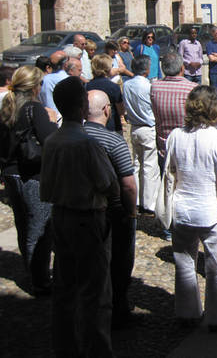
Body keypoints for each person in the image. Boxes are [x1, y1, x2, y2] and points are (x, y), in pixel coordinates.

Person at [40, 77, 119, 356]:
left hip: (60, 214)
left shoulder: (52, 140)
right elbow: (108, 182)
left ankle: (65, 346)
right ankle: (97, 349)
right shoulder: (86, 144)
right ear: (82, 105)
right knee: (95, 292)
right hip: (86, 217)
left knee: (64, 286)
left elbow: (45, 185)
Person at [164, 85, 217, 331]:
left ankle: (187, 313)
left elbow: (171, 171)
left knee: (185, 263)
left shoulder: (176, 135)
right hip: (212, 210)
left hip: (182, 209)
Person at [0, 66, 57, 295]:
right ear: (35, 87)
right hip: (32, 174)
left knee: (23, 224)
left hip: (10, 173)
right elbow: (50, 141)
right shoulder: (34, 109)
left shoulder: (7, 107)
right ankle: (40, 278)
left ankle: (31, 270)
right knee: (40, 227)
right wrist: (53, 121)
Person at [85, 90, 138, 327]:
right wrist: (131, 211)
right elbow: (128, 184)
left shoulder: (75, 136)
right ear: (107, 110)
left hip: (82, 208)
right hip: (114, 209)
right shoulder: (114, 140)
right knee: (120, 260)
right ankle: (118, 307)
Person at [150, 52, 197, 239]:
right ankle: (186, 225)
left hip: (164, 143)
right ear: (182, 68)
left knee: (168, 185)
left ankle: (168, 226)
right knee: (187, 186)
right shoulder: (192, 88)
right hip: (187, 145)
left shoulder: (154, 87)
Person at [122, 55, 160, 216]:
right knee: (150, 166)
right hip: (148, 126)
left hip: (135, 127)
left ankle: (135, 200)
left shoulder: (127, 85)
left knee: (137, 164)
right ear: (146, 69)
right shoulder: (149, 86)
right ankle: (148, 203)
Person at [86, 54, 125, 133]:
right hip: (112, 125)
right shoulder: (113, 87)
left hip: (92, 126)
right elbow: (121, 110)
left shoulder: (87, 86)